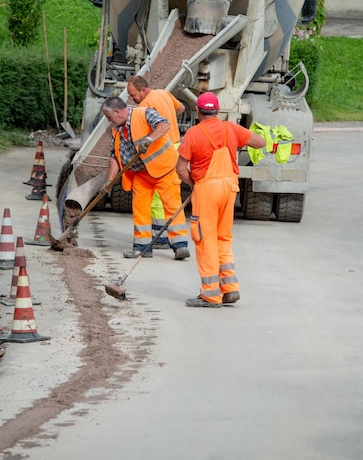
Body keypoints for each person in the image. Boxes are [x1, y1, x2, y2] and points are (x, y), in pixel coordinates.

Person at [176, 92, 266, 308]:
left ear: (198, 112)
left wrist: (194, 183)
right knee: (223, 238)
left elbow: (180, 168)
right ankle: (230, 289)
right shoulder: (230, 128)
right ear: (217, 111)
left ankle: (210, 295)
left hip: (207, 190)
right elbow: (260, 142)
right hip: (230, 187)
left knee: (205, 240)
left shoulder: (193, 134)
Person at [101, 96, 190, 260]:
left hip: (164, 169)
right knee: (140, 210)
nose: (108, 121)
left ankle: (180, 246)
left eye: (108, 117)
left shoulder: (143, 114)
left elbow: (164, 124)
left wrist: (149, 139)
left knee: (172, 206)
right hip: (141, 175)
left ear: (117, 112)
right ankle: (142, 248)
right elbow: (114, 156)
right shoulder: (116, 131)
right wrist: (109, 181)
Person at [127, 76, 185, 249]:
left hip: (162, 152)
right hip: (176, 146)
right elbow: (181, 108)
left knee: (158, 198)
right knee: (171, 195)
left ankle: (160, 235)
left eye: (133, 94)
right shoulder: (164, 93)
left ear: (143, 90)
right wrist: (168, 115)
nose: (132, 99)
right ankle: (171, 236)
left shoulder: (144, 107)